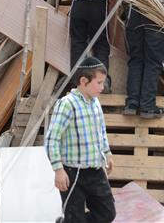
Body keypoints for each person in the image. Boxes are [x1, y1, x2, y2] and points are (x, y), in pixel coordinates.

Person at [45, 57, 116, 223]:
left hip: (95, 170)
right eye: (99, 83)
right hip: (73, 173)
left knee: (107, 213)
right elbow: (52, 140)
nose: (102, 87)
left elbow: (101, 130)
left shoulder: (95, 102)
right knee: (75, 218)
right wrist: (58, 170)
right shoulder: (67, 104)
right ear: (84, 81)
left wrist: (107, 153)